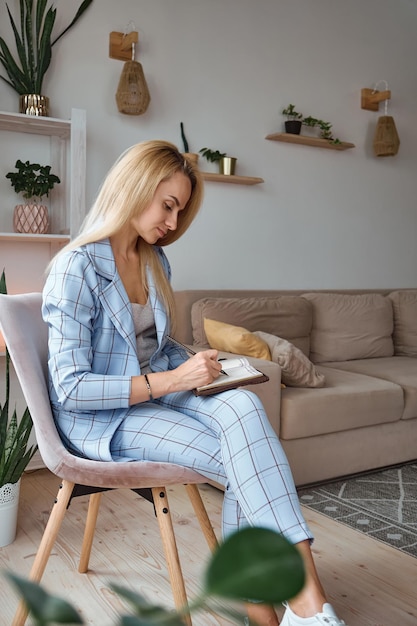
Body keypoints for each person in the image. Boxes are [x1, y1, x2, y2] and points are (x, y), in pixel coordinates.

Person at [42, 140, 346, 626]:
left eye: (180, 212)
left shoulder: (154, 261)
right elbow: (72, 389)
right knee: (246, 456)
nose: (173, 223)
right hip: (100, 421)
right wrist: (173, 380)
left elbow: (154, 348)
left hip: (156, 395)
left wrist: (201, 367)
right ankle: (286, 605)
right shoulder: (75, 268)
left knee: (245, 408)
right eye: (168, 205)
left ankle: (295, 602)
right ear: (134, 186)